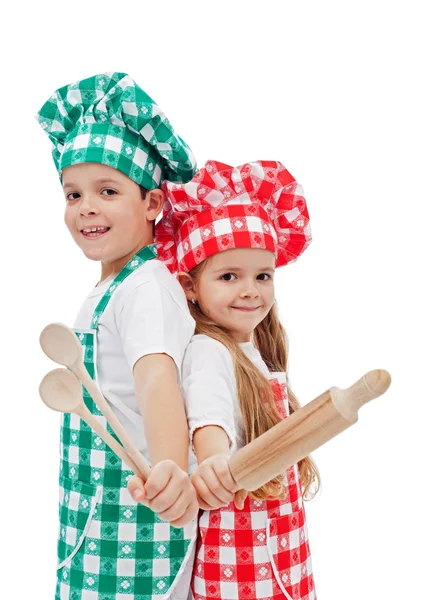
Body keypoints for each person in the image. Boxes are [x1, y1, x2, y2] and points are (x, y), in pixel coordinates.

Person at [36, 71, 200, 600]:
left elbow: (157, 381)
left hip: (140, 520)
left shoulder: (146, 289)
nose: (86, 206)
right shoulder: (114, 286)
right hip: (100, 514)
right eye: (73, 193)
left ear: (152, 205)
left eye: (108, 190)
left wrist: (172, 476)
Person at [159, 160, 320, 599]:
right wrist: (212, 460)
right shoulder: (208, 350)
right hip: (239, 548)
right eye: (229, 276)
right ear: (190, 286)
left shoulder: (256, 348)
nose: (251, 290)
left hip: (277, 540)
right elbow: (209, 419)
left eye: (262, 276)